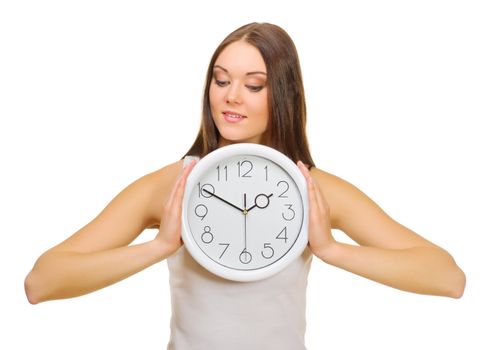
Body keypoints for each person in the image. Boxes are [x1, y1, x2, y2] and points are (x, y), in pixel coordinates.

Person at [24, 22, 466, 349]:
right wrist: (160, 246)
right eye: (221, 80)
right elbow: (41, 282)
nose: (231, 96)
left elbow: (448, 278)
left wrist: (331, 249)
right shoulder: (172, 186)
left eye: (254, 85)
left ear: (284, 95)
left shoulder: (315, 191)